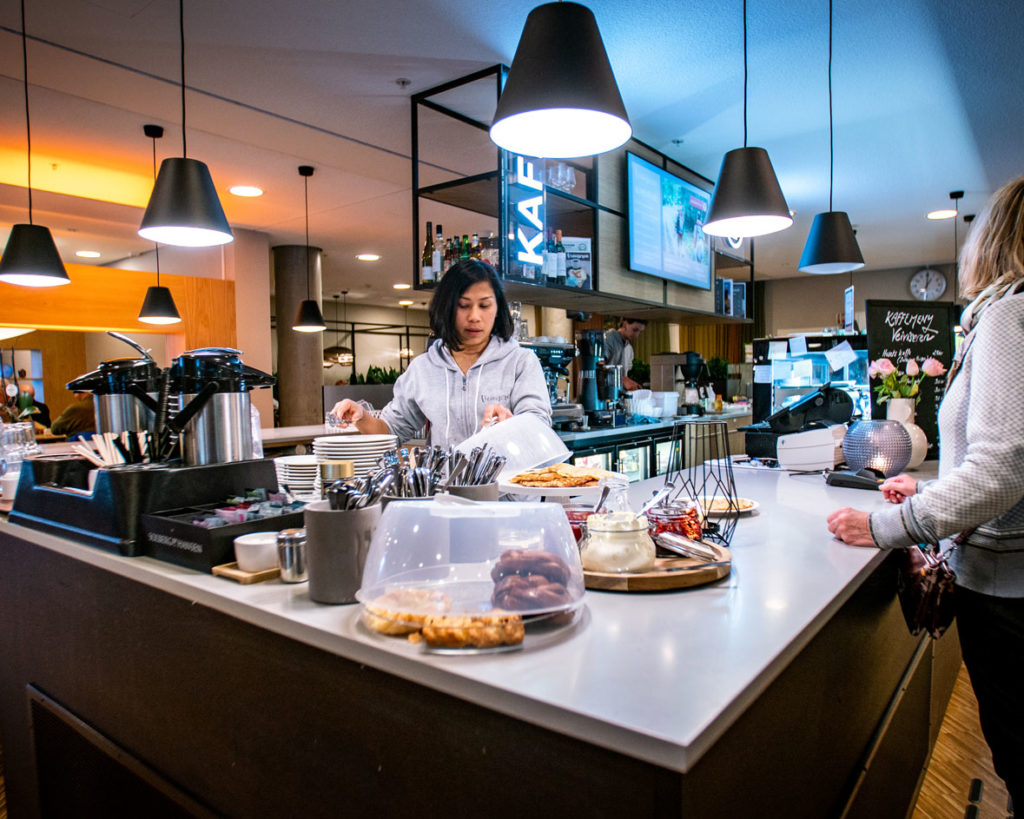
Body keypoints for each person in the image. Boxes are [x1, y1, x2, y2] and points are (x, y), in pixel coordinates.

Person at [826, 176, 1024, 807]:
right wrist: (936, 485)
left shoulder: (1010, 311)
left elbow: (1001, 471)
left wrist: (886, 525)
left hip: (1012, 593)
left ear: (993, 239)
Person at [330, 259, 550, 448]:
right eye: (463, 306)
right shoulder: (423, 369)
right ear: (446, 308)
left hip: (506, 495)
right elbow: (391, 432)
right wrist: (362, 417)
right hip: (446, 494)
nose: (474, 316)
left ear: (497, 309)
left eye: (484, 306)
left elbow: (539, 429)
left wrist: (511, 424)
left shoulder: (520, 362)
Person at [603, 317, 647, 391]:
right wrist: (622, 379)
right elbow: (597, 370)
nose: (637, 335)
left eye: (640, 331)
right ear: (624, 324)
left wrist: (630, 382)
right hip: (605, 395)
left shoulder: (628, 348)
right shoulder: (608, 340)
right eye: (635, 330)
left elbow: (624, 375)